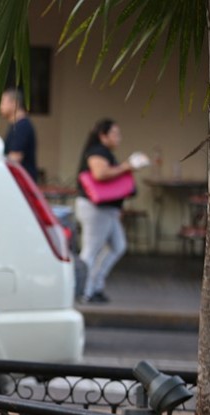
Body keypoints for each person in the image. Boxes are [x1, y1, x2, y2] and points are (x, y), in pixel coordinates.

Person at [74, 118, 148, 304]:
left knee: (118, 246)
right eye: (114, 133)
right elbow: (100, 174)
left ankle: (95, 285)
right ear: (102, 135)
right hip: (96, 208)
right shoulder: (97, 152)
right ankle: (83, 290)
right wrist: (127, 166)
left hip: (108, 209)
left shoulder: (105, 152)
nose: (118, 137)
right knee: (91, 250)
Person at [0, 87, 38, 181]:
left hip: (21, 184)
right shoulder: (16, 125)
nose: (0, 107)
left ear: (14, 103)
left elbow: (15, 158)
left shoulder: (22, 127)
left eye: (2, 102)